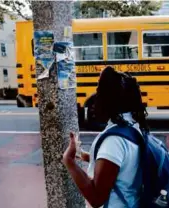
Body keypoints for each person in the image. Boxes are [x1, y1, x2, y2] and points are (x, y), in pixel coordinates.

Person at [62, 66, 148, 208]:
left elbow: (96, 198)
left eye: (99, 92)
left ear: (109, 100)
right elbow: (121, 164)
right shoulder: (133, 127)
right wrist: (85, 156)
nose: (95, 99)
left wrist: (69, 161)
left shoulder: (114, 141)